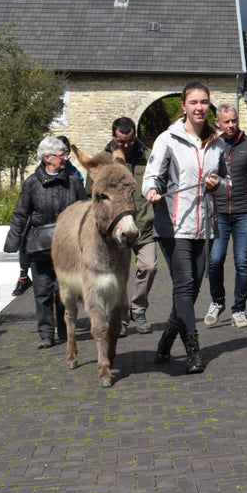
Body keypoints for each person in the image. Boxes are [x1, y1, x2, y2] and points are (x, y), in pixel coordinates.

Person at [143, 81, 229, 373]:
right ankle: (194, 351)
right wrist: (152, 191)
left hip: (204, 228)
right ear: (183, 106)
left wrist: (217, 185)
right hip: (173, 226)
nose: (199, 108)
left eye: (204, 102)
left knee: (191, 292)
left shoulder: (218, 144)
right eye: (193, 102)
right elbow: (152, 176)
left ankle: (167, 338)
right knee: (183, 285)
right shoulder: (168, 139)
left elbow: (228, 185)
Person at [4, 136, 87, 348]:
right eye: (61, 155)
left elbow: (85, 210)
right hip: (39, 245)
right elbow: (21, 213)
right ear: (47, 158)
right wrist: (12, 242)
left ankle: (62, 328)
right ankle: (46, 334)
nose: (65, 158)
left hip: (67, 245)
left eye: (65, 155)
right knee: (42, 290)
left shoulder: (73, 181)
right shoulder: (32, 183)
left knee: (63, 289)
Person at [204, 104, 247, 329]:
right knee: (215, 260)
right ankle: (217, 301)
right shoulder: (211, 145)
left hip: (244, 212)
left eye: (234, 120)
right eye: (227, 122)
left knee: (243, 262)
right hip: (219, 211)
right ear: (218, 123)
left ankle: (238, 310)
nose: (232, 125)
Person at [96, 117, 157, 337]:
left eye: (130, 140)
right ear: (114, 137)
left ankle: (138, 309)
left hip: (143, 223)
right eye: (121, 141)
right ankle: (120, 316)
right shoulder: (102, 160)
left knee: (149, 266)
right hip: (116, 229)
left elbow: (159, 180)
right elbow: (90, 193)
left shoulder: (148, 157)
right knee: (119, 274)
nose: (126, 145)